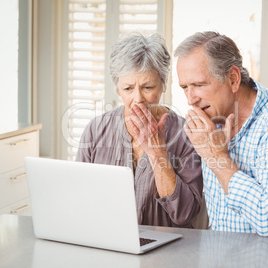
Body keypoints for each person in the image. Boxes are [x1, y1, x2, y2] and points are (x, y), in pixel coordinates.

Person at [174, 31, 268, 236]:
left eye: (199, 85)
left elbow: (267, 218)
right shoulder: (212, 119)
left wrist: (216, 157)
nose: (191, 99)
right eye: (185, 87)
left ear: (233, 79)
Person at [76, 32, 203, 228]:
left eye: (147, 87)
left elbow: (184, 214)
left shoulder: (187, 134)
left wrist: (157, 153)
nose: (138, 99)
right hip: (108, 245)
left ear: (163, 85)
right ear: (118, 89)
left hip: (167, 251)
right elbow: (81, 200)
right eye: (128, 89)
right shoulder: (95, 131)